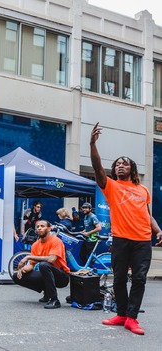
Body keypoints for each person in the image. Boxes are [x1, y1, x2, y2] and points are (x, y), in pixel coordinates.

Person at [90, 122, 162, 335]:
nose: (120, 166)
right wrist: (92, 144)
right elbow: (97, 168)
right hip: (121, 239)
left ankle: (132, 318)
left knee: (139, 279)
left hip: (142, 241)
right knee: (119, 278)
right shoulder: (111, 185)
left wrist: (158, 230)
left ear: (132, 169)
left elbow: (147, 215)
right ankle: (121, 314)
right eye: (117, 164)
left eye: (125, 163)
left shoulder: (143, 190)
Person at [12, 220, 70, 309]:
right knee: (16, 276)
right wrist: (23, 270)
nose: (39, 228)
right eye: (37, 227)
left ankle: (54, 299)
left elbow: (51, 259)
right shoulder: (35, 245)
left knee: (44, 265)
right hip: (47, 273)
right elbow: (31, 265)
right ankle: (47, 292)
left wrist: (28, 257)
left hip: (61, 276)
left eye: (42, 226)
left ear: (49, 229)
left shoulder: (56, 241)